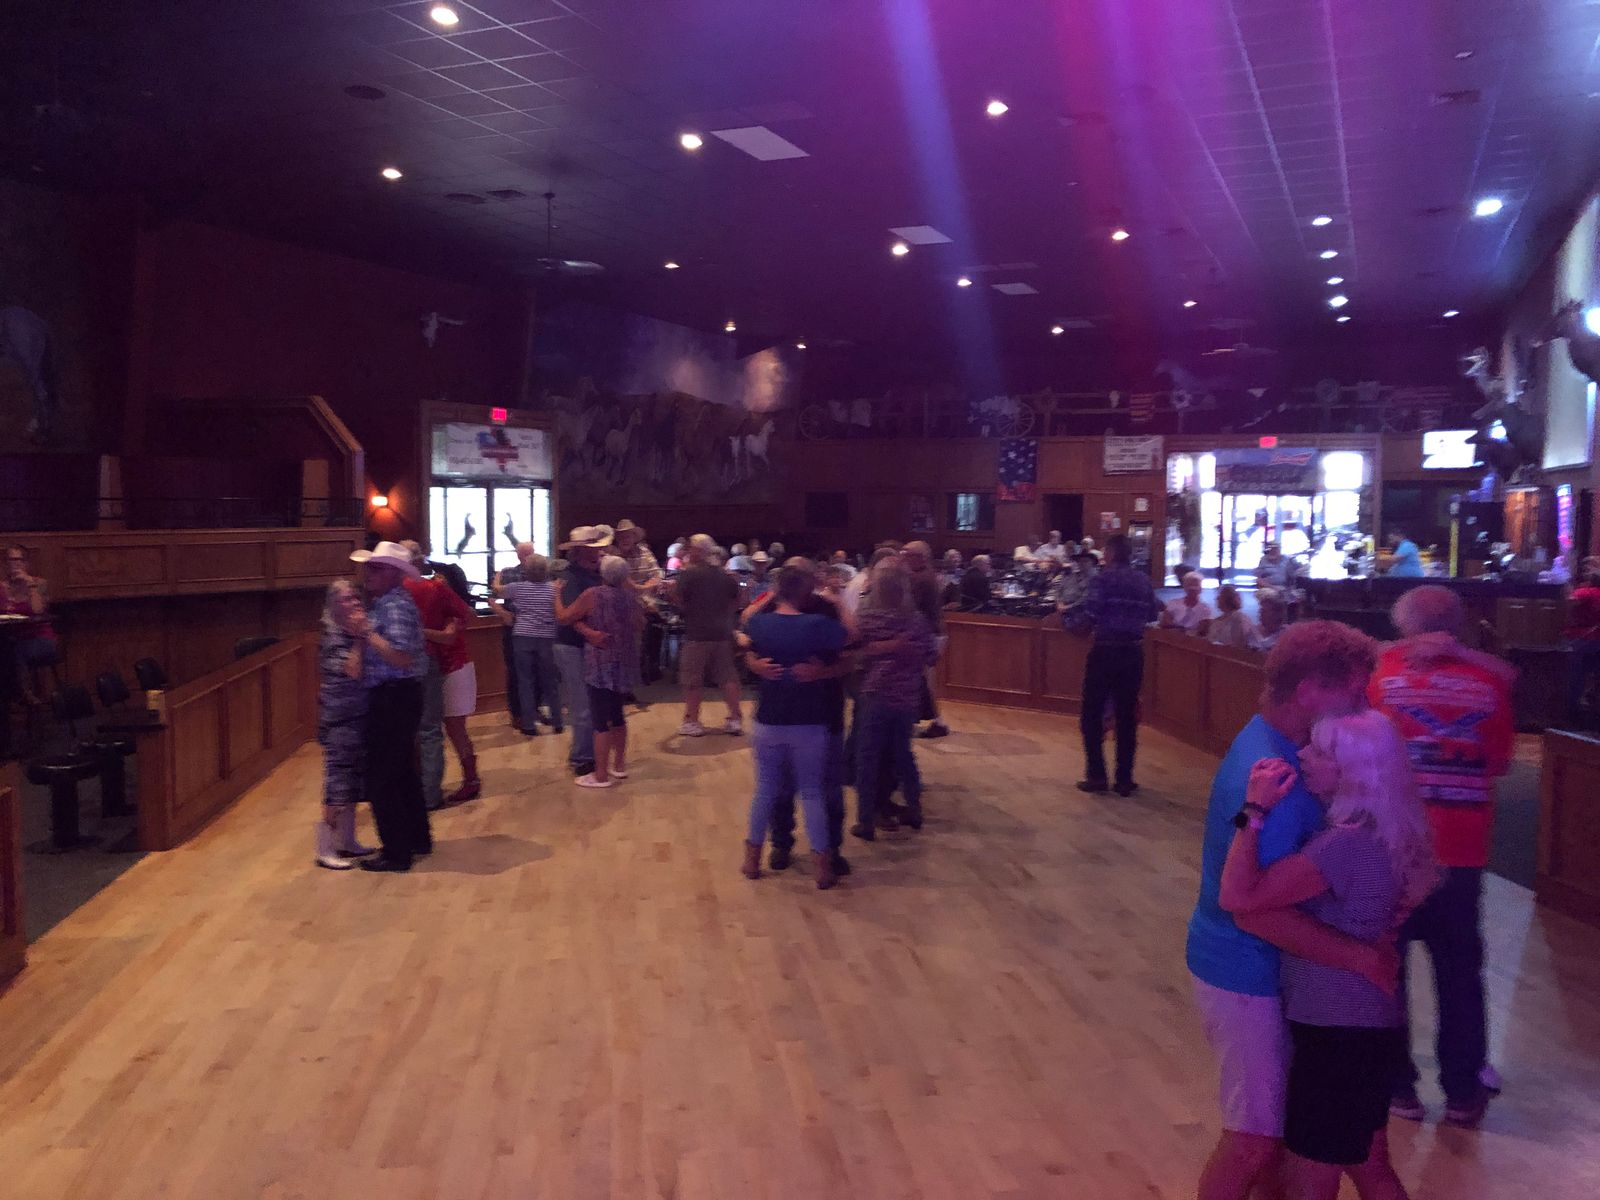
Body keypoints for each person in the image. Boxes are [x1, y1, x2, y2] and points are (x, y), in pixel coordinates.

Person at [1187, 620, 1390, 1200]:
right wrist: (1361, 959)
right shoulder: (1274, 773)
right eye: (1353, 691)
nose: (1363, 704)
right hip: (1242, 969)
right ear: (1308, 691)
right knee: (1253, 1138)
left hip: (1259, 968)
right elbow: (1250, 910)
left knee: (1276, 1136)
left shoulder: (1275, 749)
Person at [1219, 711, 1437, 1199]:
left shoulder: (1346, 843)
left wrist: (1253, 811)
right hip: (1368, 1025)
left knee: (1309, 1180)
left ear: (1352, 770)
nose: (1302, 755)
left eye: (1319, 751)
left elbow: (1237, 896)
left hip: (1337, 1035)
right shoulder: (1386, 831)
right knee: (1370, 1165)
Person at [1369, 585, 1515, 1127]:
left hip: (1392, 847)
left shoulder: (1380, 676)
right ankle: (1462, 1092)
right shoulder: (1488, 682)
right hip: (1460, 849)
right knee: (1459, 974)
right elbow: (1497, 762)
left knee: (1388, 968)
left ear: (1403, 624)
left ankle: (1398, 1088)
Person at [742, 557, 854, 879]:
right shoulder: (820, 619)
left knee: (799, 789)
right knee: (806, 791)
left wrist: (823, 672)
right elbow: (853, 639)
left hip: (803, 712)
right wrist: (753, 663)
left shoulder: (775, 617)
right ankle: (807, 856)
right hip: (811, 717)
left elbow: (746, 627)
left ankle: (762, 859)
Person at [350, 542, 431, 873]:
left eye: (377, 568)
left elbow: (402, 657)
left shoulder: (393, 607)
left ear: (395, 574)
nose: (369, 574)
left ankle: (397, 852)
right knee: (402, 771)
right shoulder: (390, 602)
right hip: (399, 696)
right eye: (369, 567)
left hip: (393, 697)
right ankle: (417, 838)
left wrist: (366, 632)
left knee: (381, 777)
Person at [1067, 533, 1161, 796]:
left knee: (1092, 713)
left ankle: (1097, 776)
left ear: (1109, 553)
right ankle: (1124, 779)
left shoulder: (1103, 579)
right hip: (1133, 653)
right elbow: (1152, 614)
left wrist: (1066, 622)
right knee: (1126, 715)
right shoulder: (1143, 580)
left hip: (1105, 651)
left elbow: (1089, 616)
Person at [853, 562, 936, 837]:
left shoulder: (866, 617)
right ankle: (914, 808)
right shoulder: (917, 621)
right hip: (906, 698)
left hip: (874, 695)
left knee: (867, 758)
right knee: (903, 755)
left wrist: (878, 650)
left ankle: (865, 820)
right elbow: (931, 657)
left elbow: (854, 652)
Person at [402, 541, 480, 809]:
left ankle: (468, 780)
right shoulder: (433, 591)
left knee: (450, 728)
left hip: (452, 665)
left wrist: (422, 631)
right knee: (433, 729)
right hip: (439, 664)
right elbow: (463, 616)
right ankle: (430, 788)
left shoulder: (430, 591)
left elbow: (454, 631)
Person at [556, 555, 641, 788]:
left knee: (600, 720)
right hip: (622, 661)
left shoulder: (593, 594)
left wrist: (556, 594)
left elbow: (563, 617)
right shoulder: (629, 596)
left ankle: (600, 775)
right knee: (617, 714)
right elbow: (639, 624)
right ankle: (619, 765)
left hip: (600, 662)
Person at [313, 580, 378, 870]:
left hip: (359, 715)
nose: (354, 603)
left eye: (355, 597)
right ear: (333, 606)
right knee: (337, 784)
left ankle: (347, 840)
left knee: (352, 782)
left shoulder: (352, 631)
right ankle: (325, 848)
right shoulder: (333, 636)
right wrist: (361, 639)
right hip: (340, 719)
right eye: (346, 599)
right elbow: (352, 669)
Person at [669, 533, 744, 736]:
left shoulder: (689, 574)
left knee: (692, 679)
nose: (688, 551)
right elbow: (738, 599)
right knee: (727, 676)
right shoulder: (724, 575)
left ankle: (692, 722)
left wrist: (679, 599)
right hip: (722, 633)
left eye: (691, 548)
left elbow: (677, 600)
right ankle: (735, 719)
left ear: (698, 550)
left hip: (697, 634)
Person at [553, 527, 610, 776]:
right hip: (572, 645)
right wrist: (590, 633)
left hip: (586, 645)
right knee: (582, 704)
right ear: (581, 550)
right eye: (593, 548)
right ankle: (582, 757)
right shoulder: (571, 577)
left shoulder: (594, 574)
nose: (599, 551)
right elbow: (568, 616)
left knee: (591, 702)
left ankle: (589, 753)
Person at [494, 552, 562, 738]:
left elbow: (497, 590)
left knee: (525, 681)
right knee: (549, 681)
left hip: (522, 635)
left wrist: (498, 575)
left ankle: (529, 724)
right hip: (547, 636)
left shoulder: (518, 588)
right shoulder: (552, 589)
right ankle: (557, 721)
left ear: (527, 571)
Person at [902, 541, 950, 739]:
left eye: (907, 554)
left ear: (919, 557)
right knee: (924, 679)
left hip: (929, 634)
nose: (903, 558)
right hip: (932, 632)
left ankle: (938, 722)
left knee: (926, 680)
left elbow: (910, 608)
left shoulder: (921, 579)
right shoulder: (925, 575)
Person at [1, 543, 58, 702]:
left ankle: (23, 693)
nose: (15, 564)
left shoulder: (39, 583)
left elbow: (38, 610)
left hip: (40, 637)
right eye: (11, 560)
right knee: (6, 648)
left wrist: (29, 584)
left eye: (18, 560)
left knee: (13, 651)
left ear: (26, 563)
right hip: (11, 636)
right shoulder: (2, 587)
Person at [1564, 566, 1600, 720]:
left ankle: (1572, 709)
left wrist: (1567, 588)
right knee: (1594, 675)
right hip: (1597, 640)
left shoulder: (1586, 592)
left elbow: (1569, 602)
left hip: (1580, 639)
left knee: (1576, 675)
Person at [1208, 585, 1258, 651]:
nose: (1216, 599)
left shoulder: (1239, 619)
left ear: (1227, 599)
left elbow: (1240, 645)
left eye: (1219, 596)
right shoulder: (1218, 620)